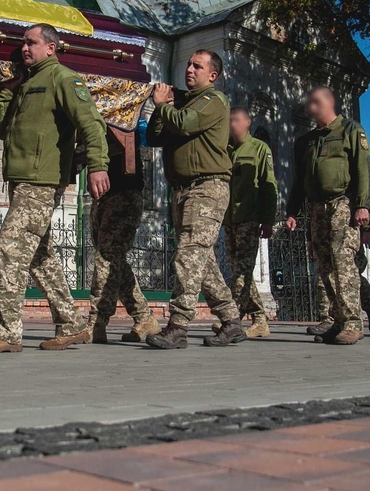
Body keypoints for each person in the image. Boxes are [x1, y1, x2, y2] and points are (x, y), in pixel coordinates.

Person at [0, 24, 110, 353]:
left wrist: (98, 164)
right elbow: (4, 129)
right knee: (40, 256)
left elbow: (91, 122)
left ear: (51, 48)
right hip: (21, 180)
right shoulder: (27, 84)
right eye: (23, 43)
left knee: (10, 247)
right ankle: (72, 323)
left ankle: (5, 332)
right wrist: (7, 91)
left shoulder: (63, 78)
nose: (24, 48)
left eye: (32, 42)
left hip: (42, 180)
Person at [146, 50, 242, 348]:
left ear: (212, 75)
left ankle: (178, 327)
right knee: (203, 261)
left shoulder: (213, 101)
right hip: (183, 190)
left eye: (197, 66)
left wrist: (163, 106)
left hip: (207, 189)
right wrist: (162, 109)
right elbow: (155, 137)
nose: (189, 69)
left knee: (188, 256)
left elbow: (186, 124)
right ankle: (232, 322)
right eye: (188, 64)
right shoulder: (183, 105)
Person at [286, 86, 370, 346]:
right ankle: (337, 320)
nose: (311, 107)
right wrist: (293, 211)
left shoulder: (350, 130)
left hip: (342, 204)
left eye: (316, 102)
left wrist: (363, 206)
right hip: (317, 208)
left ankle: (353, 323)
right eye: (308, 103)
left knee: (344, 264)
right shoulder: (306, 141)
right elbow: (300, 180)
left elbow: (363, 171)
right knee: (325, 266)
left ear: (330, 102)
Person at [84, 131, 161, 344]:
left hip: (125, 191)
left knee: (107, 257)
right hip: (101, 195)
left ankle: (97, 322)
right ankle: (144, 317)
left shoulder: (125, 106)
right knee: (114, 260)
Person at [214, 105, 277, 339]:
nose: (232, 125)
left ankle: (232, 320)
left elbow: (269, 186)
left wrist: (268, 220)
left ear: (248, 123)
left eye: (237, 120)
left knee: (241, 274)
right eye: (229, 121)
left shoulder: (260, 149)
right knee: (240, 272)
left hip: (250, 220)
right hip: (230, 220)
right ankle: (260, 319)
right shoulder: (227, 151)